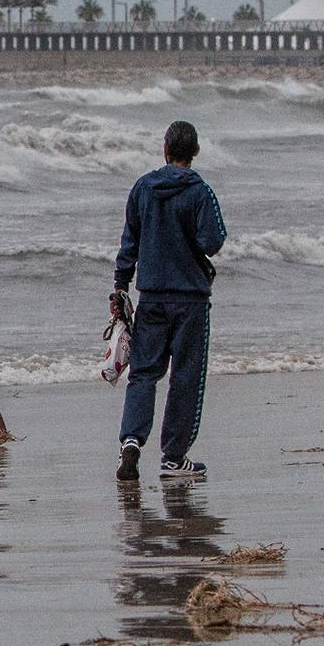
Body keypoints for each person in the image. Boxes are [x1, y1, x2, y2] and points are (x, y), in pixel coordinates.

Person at [112, 121, 227, 483]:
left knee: (143, 374)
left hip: (152, 297)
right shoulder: (200, 192)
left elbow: (129, 241)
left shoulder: (143, 189)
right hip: (190, 298)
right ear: (194, 153)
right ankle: (174, 458)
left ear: (165, 149)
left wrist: (119, 287)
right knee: (186, 377)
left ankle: (131, 440)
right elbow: (213, 241)